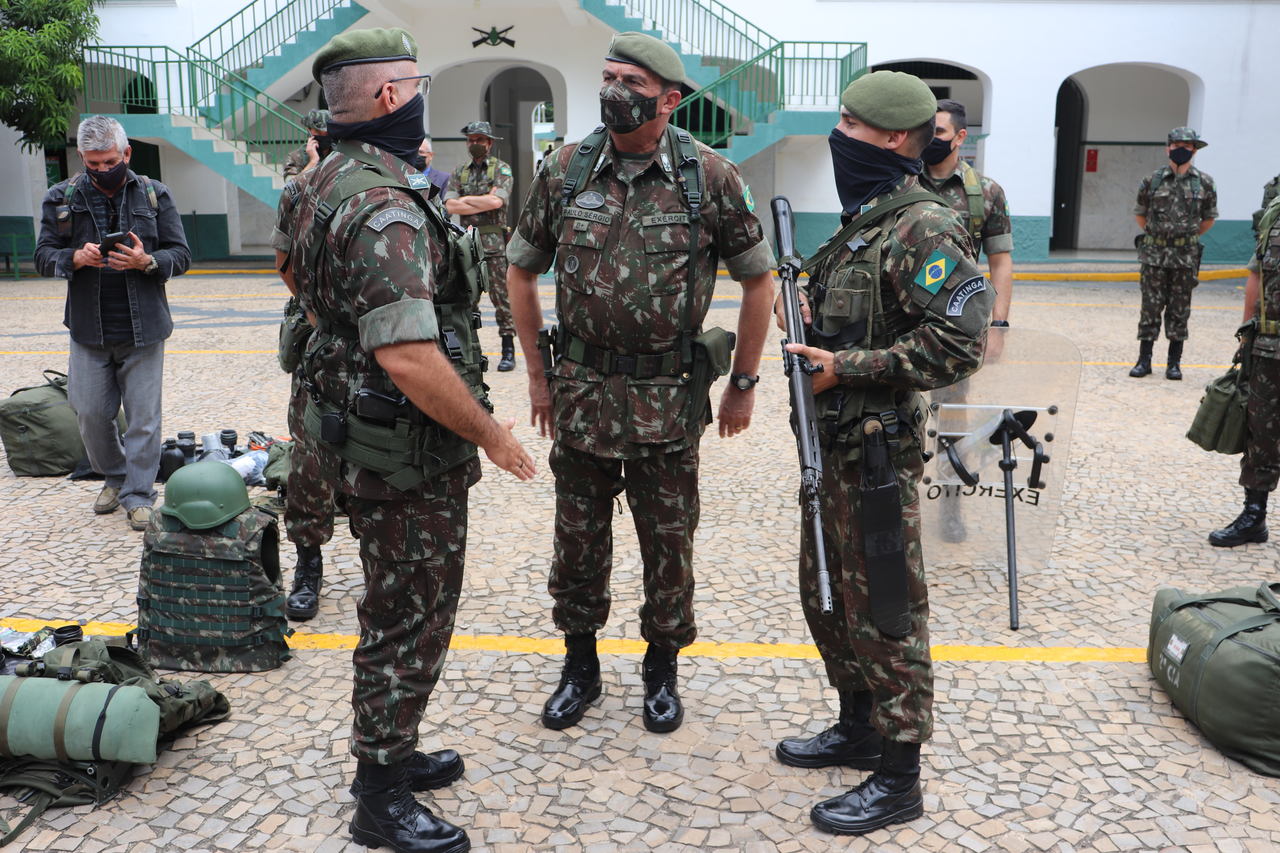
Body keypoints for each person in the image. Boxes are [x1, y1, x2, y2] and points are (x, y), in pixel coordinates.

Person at [294, 28, 534, 852]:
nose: (424, 96)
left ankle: (394, 748)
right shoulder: (385, 205)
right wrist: (492, 434)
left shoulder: (324, 176)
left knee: (400, 605)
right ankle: (380, 793)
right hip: (401, 454)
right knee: (409, 613)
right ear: (391, 96)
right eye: (417, 83)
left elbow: (303, 285)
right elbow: (407, 354)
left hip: (358, 432)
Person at [506, 31, 775, 735]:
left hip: (668, 401)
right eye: (608, 77)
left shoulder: (709, 177)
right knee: (577, 543)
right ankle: (580, 665)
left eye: (631, 82)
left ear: (669, 99)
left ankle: (662, 668)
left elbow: (759, 281)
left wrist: (743, 382)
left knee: (669, 544)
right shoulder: (566, 168)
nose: (614, 91)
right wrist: (537, 377)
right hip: (581, 395)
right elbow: (520, 269)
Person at [773, 71, 993, 836]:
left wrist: (847, 367)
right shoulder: (865, 221)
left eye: (849, 123)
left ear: (893, 137)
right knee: (828, 596)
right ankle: (859, 725)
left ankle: (899, 777)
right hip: (833, 448)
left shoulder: (923, 226)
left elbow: (958, 343)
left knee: (888, 611)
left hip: (875, 454)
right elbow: (860, 318)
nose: (838, 135)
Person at [34, 115, 191, 531]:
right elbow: (43, 255)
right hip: (88, 328)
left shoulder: (155, 195)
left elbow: (181, 254)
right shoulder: (60, 198)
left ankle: (138, 494)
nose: (102, 169)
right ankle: (116, 475)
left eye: (109, 161)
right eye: (93, 163)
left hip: (145, 329)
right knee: (89, 413)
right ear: (82, 157)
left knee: (143, 420)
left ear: (127, 153)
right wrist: (73, 258)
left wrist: (147, 261)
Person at [271, 159, 336, 622]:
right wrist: (315, 313)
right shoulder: (301, 189)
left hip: (384, 339)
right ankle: (308, 564)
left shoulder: (401, 179)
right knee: (309, 459)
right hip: (320, 340)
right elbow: (284, 260)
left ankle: (386, 564)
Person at [1209, 195, 1279, 547]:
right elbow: (1257, 274)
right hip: (1268, 345)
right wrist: (1246, 333)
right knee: (1260, 430)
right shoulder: (1275, 212)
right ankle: (1254, 516)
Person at [1130, 127, 1217, 381]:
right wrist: (1158, 236)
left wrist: (1185, 237)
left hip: (1185, 256)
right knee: (1150, 308)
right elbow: (1140, 214)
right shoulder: (1152, 180)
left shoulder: (1204, 183)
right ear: (1168, 148)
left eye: (1187, 147)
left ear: (1194, 151)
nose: (1182, 150)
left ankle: (1174, 364)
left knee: (1180, 310)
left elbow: (1209, 218)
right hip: (1154, 256)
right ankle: (1144, 361)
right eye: (1177, 145)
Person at [918, 99, 1013, 329]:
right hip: (905, 316)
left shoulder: (988, 191)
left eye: (939, 132)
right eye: (927, 132)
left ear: (960, 137)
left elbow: (1000, 262)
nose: (931, 139)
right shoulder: (902, 184)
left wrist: (999, 324)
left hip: (958, 314)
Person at [444, 121, 517, 371]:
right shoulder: (459, 172)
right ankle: (470, 349)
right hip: (468, 246)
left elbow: (497, 202)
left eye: (479, 140)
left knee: (501, 298)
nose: (474, 144)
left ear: (489, 143)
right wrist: (482, 200)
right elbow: (449, 205)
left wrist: (465, 200)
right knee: (467, 298)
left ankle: (508, 350)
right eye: (471, 140)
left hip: (494, 245)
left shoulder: (501, 169)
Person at [283, 109, 331, 179]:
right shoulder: (295, 158)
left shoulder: (340, 153)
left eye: (327, 133)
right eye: (318, 132)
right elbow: (291, 184)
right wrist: (313, 161)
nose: (324, 135)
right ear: (309, 131)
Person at [1251, 173, 1279, 238]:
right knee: (1257, 215)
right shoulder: (1271, 184)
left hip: (1274, 209)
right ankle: (1260, 234)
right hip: (1272, 209)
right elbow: (1266, 203)